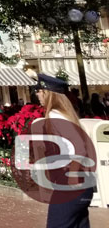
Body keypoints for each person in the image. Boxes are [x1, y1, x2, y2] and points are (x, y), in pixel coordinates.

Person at [34, 74, 93, 228]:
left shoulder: (55, 116)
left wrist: (72, 176)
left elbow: (80, 148)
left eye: (40, 91)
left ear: (49, 93)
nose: (37, 94)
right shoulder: (68, 116)